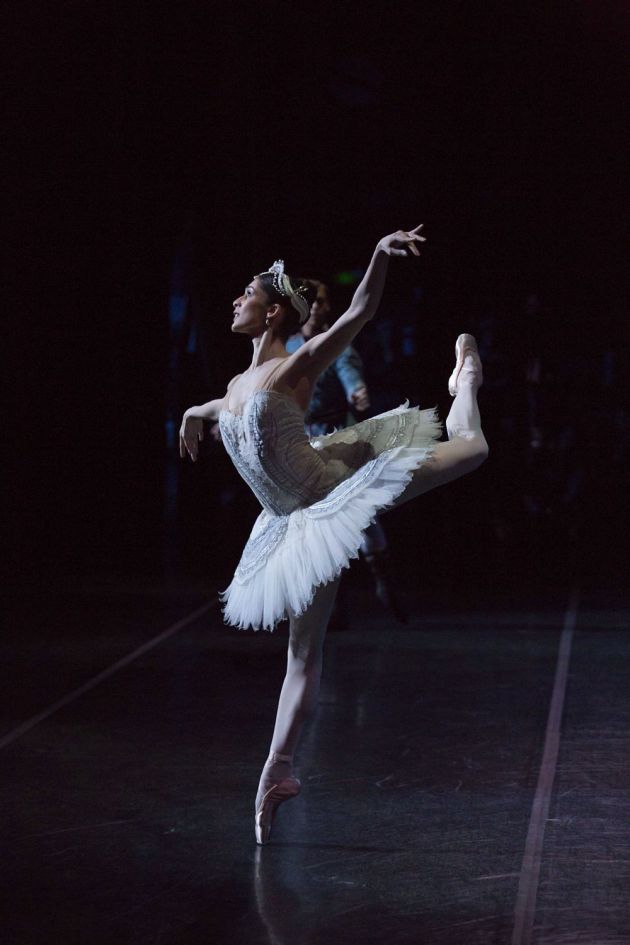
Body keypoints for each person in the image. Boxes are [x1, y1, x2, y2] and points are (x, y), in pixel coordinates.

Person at [180, 225, 488, 845]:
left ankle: (468, 380)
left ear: (272, 312)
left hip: (335, 495)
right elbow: (221, 407)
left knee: (474, 448)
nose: (233, 302)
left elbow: (359, 311)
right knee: (301, 652)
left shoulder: (298, 362)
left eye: (245, 295)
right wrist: (192, 413)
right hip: (293, 522)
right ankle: (277, 773)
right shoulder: (238, 386)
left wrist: (377, 253)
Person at [286, 280, 406, 621]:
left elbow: (348, 370)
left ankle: (382, 578)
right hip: (301, 440)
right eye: (315, 301)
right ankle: (331, 601)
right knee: (315, 524)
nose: (322, 307)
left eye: (324, 302)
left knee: (358, 515)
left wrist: (358, 391)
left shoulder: (336, 344)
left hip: (335, 436)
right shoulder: (288, 346)